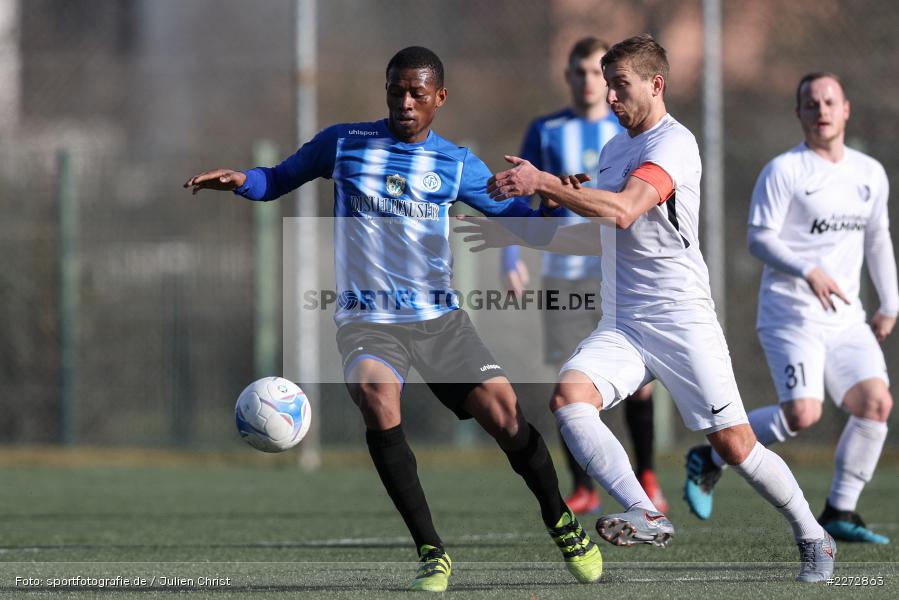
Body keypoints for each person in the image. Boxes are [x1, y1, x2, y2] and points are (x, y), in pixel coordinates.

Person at [183, 46, 602, 592]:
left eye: (416, 93)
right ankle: (431, 551)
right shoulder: (344, 143)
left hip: (440, 320)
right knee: (377, 395)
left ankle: (561, 521)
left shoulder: (457, 164)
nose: (405, 102)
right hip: (369, 322)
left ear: (439, 98)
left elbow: (529, 228)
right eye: (395, 91)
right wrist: (242, 181)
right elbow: (277, 179)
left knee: (507, 417)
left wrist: (552, 200)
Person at [485, 34, 836, 582]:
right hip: (623, 323)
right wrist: (543, 211)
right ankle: (644, 510)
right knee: (569, 400)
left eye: (620, 84)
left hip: (680, 319)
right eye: (607, 84)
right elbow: (605, 217)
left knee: (735, 445)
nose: (610, 96)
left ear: (656, 84)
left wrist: (547, 181)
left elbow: (625, 209)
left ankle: (814, 536)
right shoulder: (612, 149)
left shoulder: (674, 143)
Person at [683, 72, 895, 545]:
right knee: (802, 413)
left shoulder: (869, 173)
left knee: (876, 403)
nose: (821, 110)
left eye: (830, 102)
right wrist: (808, 270)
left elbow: (878, 238)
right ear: (799, 113)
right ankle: (709, 457)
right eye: (811, 103)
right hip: (792, 314)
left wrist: (890, 303)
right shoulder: (784, 171)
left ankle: (840, 510)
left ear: (846, 110)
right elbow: (759, 239)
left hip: (846, 318)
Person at [500, 36, 666, 515]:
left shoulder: (629, 131)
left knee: (640, 381)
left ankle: (647, 473)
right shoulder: (547, 130)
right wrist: (510, 256)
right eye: (581, 72)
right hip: (563, 275)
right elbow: (520, 195)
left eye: (598, 73)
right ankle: (584, 486)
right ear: (568, 77)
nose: (591, 82)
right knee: (570, 378)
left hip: (619, 273)